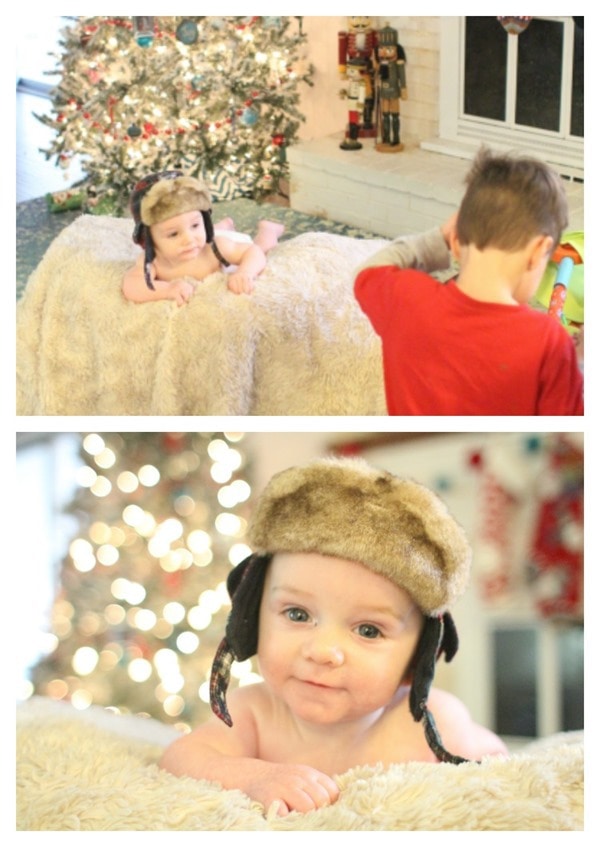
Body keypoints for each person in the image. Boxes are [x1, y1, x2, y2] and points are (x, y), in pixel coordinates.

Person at [159, 457, 507, 816]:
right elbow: (180, 757)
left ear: (417, 658)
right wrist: (253, 776)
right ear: (252, 618)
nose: (323, 651)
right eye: (297, 614)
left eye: (368, 630)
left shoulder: (434, 724)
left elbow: (505, 773)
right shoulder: (255, 712)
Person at [354, 148, 584, 415]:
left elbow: (367, 271)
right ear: (537, 252)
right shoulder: (550, 343)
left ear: (455, 241)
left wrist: (436, 238)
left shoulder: (405, 300)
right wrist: (579, 364)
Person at [122, 170, 284, 305]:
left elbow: (253, 251)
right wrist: (168, 290)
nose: (189, 239)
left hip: (220, 240)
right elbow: (132, 284)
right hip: (212, 235)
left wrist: (245, 273)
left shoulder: (216, 248)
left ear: (204, 220)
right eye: (173, 234)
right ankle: (223, 225)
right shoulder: (153, 261)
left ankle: (268, 229)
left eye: (195, 225)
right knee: (197, 231)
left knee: (263, 247)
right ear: (149, 239)